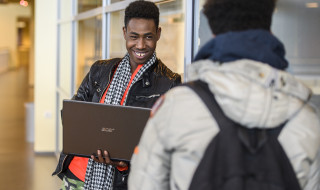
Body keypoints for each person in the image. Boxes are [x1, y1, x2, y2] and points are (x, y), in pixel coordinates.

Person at [128, 0, 320, 189]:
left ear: (213, 35)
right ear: (269, 32)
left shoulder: (176, 106)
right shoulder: (306, 119)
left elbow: (144, 183)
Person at [52, 1, 181, 189]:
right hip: (76, 176)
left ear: (158, 34)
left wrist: (125, 164)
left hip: (120, 182)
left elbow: (166, 146)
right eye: (133, 36)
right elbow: (73, 114)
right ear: (124, 33)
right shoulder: (100, 70)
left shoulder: (169, 83)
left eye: (148, 37)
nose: (140, 45)